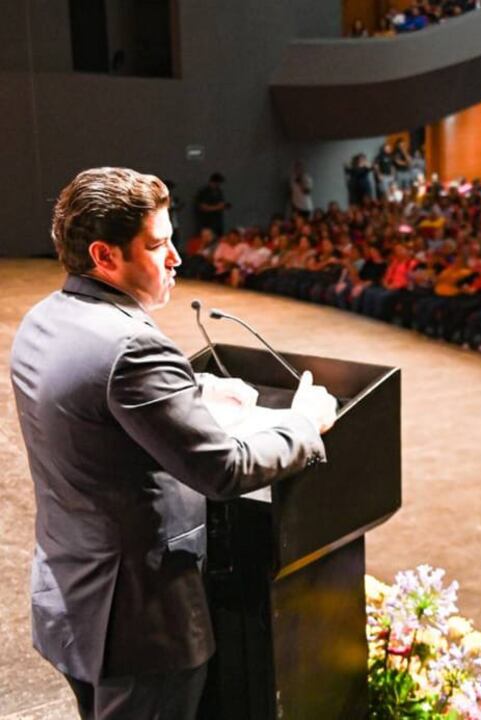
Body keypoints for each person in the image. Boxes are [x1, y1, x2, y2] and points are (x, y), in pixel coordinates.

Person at [10, 167, 337, 720]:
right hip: (140, 624)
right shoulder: (134, 346)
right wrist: (305, 423)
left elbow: (93, 409)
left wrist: (196, 390)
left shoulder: (44, 321)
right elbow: (223, 470)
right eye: (157, 244)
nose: (176, 258)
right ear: (104, 256)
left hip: (71, 594)